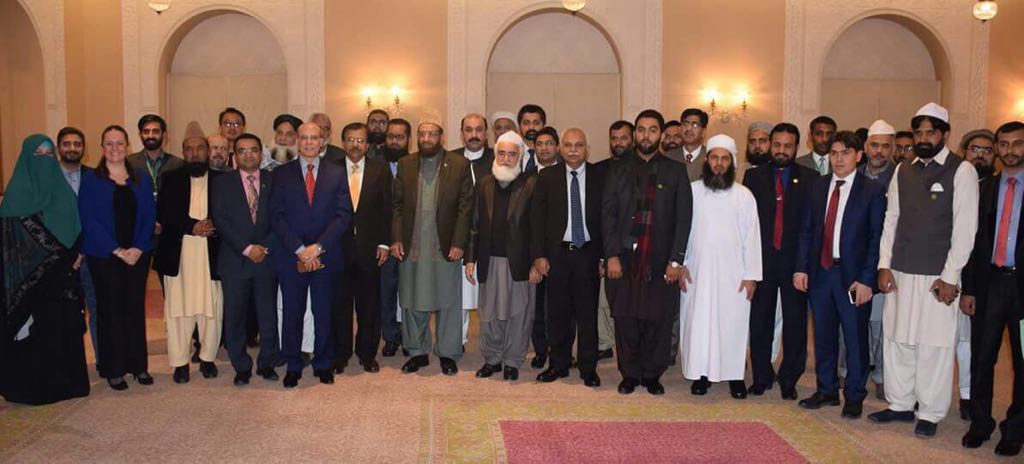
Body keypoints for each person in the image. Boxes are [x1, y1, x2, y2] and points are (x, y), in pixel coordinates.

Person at [870, 102, 979, 438]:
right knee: (898, 338)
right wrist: (884, 265)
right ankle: (901, 403)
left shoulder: (961, 171)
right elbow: (891, 221)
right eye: (918, 132)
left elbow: (965, 230)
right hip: (901, 270)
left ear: (945, 134)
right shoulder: (903, 170)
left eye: (930, 132)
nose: (923, 138)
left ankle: (930, 411)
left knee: (934, 344)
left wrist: (951, 276)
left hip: (937, 276)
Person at [794, 130, 886, 419]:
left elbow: (876, 239)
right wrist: (801, 267)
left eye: (845, 153)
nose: (838, 159)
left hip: (853, 278)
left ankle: (855, 395)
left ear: (859, 156)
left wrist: (867, 280)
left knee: (855, 338)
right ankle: (827, 390)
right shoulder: (817, 186)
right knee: (823, 336)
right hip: (821, 274)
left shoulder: (872, 190)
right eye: (833, 153)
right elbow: (806, 230)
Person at [602, 109, 692, 395]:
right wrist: (611, 255)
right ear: (634, 134)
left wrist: (675, 260)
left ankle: (652, 374)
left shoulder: (675, 171)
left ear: (661, 134)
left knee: (658, 318)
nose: (646, 135)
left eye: (653, 130)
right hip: (625, 258)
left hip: (660, 258)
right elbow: (608, 215)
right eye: (641, 129)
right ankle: (629, 373)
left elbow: (683, 219)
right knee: (626, 319)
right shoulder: (617, 169)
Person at [0, 134, 89, 405]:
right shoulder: (15, 195)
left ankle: (70, 384)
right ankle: (36, 389)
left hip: (65, 275)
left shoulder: (62, 190)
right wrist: (56, 255)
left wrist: (75, 254)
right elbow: (12, 239)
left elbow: (77, 225)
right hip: (32, 279)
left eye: (48, 154)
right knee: (40, 330)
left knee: (65, 326)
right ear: (27, 156)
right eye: (38, 153)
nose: (44, 158)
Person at [269, 122, 353, 388]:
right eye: (303, 138)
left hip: (325, 255)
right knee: (292, 313)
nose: (308, 142)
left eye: (313, 138)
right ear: (297, 140)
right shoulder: (281, 174)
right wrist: (299, 249)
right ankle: (293, 365)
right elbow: (276, 216)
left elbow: (343, 215)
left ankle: (323, 363)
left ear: (322, 141)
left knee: (323, 313)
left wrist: (318, 247)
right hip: (291, 255)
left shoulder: (337, 172)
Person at [680, 135, 762, 399]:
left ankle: (735, 376)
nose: (718, 163)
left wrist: (751, 276)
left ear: (732, 162)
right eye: (714, 158)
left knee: (732, 325)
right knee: (699, 323)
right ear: (707, 160)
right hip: (697, 272)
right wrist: (680, 265)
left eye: (724, 159)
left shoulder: (744, 196)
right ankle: (701, 375)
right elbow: (680, 232)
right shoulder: (692, 191)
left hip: (734, 276)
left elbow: (752, 237)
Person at [960, 121, 1024, 457]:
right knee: (982, 358)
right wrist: (968, 289)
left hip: (1022, 291)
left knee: (1023, 362)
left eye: (1018, 144)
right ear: (997, 148)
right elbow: (972, 244)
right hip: (989, 287)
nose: (1010, 150)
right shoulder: (984, 188)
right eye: (1004, 144)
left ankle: (1015, 428)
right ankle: (980, 423)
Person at [392, 119, 473, 376]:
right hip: (412, 244)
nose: (426, 138)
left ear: (442, 137)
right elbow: (396, 206)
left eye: (432, 134)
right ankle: (417, 352)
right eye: (422, 134)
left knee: (448, 300)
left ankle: (448, 353)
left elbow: (465, 207)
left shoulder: (459, 164)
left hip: (444, 245)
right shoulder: (405, 164)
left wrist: (459, 242)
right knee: (411, 299)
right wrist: (396, 238)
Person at [79, 125, 157, 391]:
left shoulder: (140, 178)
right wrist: (116, 250)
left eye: (119, 143)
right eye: (109, 143)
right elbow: (88, 219)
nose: (115, 148)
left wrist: (138, 248)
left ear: (127, 146)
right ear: (102, 148)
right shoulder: (91, 180)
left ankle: (138, 366)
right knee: (110, 310)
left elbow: (149, 215)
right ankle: (113, 369)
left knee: (134, 309)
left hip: (137, 255)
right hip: (104, 255)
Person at [743, 123, 816, 399]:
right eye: (777, 145)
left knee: (796, 324)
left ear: (797, 147)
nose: (781, 150)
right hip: (762, 261)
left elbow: (810, 224)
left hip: (795, 263)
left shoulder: (810, 177)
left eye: (787, 146)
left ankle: (789, 379)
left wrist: (803, 265)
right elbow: (747, 223)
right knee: (759, 322)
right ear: (770, 145)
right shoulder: (753, 176)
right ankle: (761, 376)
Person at [533, 128, 606, 387]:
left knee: (587, 315)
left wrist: (604, 257)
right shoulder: (547, 177)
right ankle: (558, 364)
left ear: (587, 149)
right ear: (561, 149)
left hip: (588, 254)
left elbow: (607, 219)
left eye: (579, 145)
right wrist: (539, 256)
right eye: (568, 145)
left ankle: (588, 367)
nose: (573, 150)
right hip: (558, 255)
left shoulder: (600, 176)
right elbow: (537, 220)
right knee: (557, 314)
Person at [466, 130, 541, 381]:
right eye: (501, 153)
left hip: (519, 262)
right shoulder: (484, 183)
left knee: (518, 313)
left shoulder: (531, 184)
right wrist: (470, 259)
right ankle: (493, 359)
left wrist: (536, 262)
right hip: (489, 260)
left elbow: (537, 228)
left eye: (511, 154)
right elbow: (474, 225)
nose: (506, 159)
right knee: (489, 313)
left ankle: (512, 361)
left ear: (520, 157)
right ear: (495, 155)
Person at [211, 133, 283, 386]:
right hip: (235, 259)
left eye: (253, 150)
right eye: (242, 150)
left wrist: (264, 247)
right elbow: (220, 219)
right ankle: (241, 366)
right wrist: (246, 248)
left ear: (260, 153)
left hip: (266, 258)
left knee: (268, 315)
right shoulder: (222, 182)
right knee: (235, 317)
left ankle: (267, 363)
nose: (248, 155)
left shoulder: (274, 180)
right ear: (235, 154)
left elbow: (281, 218)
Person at [154, 123, 223, 383]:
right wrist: (191, 226)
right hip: (179, 254)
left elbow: (229, 213)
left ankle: (207, 358)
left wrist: (213, 225)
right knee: (178, 312)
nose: (195, 153)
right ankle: (180, 362)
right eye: (189, 149)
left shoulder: (220, 180)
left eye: (200, 148)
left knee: (211, 310)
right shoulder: (170, 178)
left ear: (208, 151)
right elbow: (165, 214)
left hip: (211, 255)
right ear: (183, 152)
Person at [332, 122, 392, 374]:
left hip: (370, 248)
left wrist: (384, 242)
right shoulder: (330, 168)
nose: (355, 145)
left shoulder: (381, 169)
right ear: (343, 143)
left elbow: (388, 208)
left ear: (367, 145)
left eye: (360, 140)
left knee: (369, 305)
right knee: (340, 304)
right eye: (350, 140)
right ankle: (341, 354)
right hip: (338, 247)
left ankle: (367, 354)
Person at [857, 119, 898, 401]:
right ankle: (849, 371)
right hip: (854, 260)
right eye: (874, 145)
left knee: (883, 324)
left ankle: (882, 376)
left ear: (892, 148)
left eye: (885, 146)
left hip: (887, 261)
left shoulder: (902, 177)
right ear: (866, 146)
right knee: (852, 321)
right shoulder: (853, 174)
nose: (879, 151)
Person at [55, 127, 99, 365]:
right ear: (58, 148)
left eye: (77, 144)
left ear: (84, 149)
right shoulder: (48, 177)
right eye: (67, 144)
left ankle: (104, 362)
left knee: (98, 309)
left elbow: (99, 218)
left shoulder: (95, 177)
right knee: (63, 313)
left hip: (91, 254)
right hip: (58, 258)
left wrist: (82, 250)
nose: (72, 148)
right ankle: (68, 366)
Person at [450, 113, 494, 350]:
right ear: (462, 134)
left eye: (479, 129)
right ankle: (457, 341)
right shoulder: (450, 160)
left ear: (486, 134)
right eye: (468, 130)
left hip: (489, 240)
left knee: (490, 296)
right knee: (459, 296)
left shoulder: (498, 159)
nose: (474, 134)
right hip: (458, 238)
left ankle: (492, 345)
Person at [380, 118, 413, 357]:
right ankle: (390, 337)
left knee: (411, 292)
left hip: (412, 241)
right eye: (390, 136)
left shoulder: (418, 165)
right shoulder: (375, 166)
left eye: (399, 137)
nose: (394, 141)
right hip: (383, 242)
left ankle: (411, 337)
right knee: (387, 292)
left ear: (408, 140)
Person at [664, 108, 708, 182]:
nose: (688, 128)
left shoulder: (710, 157)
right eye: (685, 124)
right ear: (680, 129)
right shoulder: (668, 157)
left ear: (703, 131)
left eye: (694, 125)